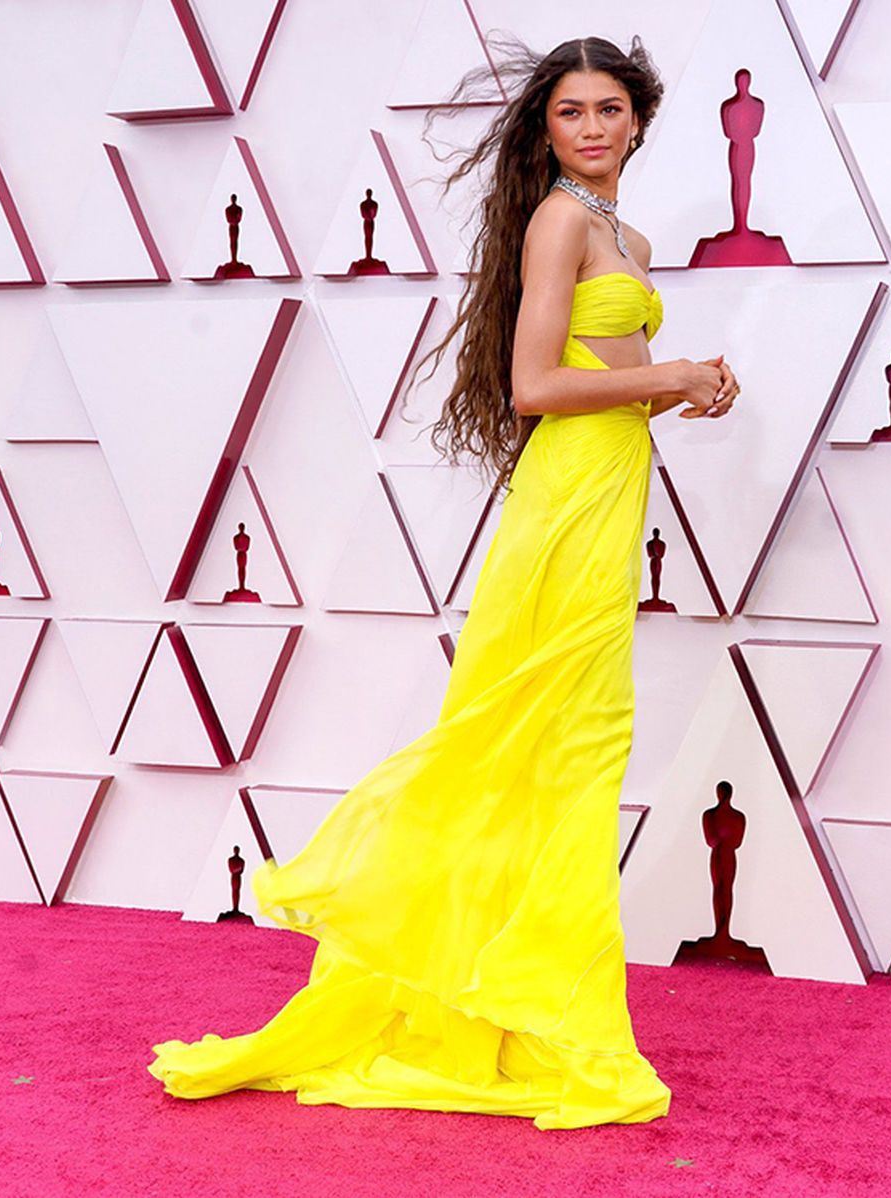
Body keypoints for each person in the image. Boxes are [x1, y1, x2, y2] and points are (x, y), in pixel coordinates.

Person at [147, 33, 740, 1130]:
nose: (595, 128)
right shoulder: (560, 220)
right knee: (537, 741)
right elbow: (530, 385)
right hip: (563, 505)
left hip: (610, 491)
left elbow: (605, 385)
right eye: (572, 112)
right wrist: (664, 369)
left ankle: (525, 1009)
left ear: (640, 121)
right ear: (546, 129)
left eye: (611, 109)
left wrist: (686, 386)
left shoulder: (628, 231)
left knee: (569, 747)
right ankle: (526, 1013)